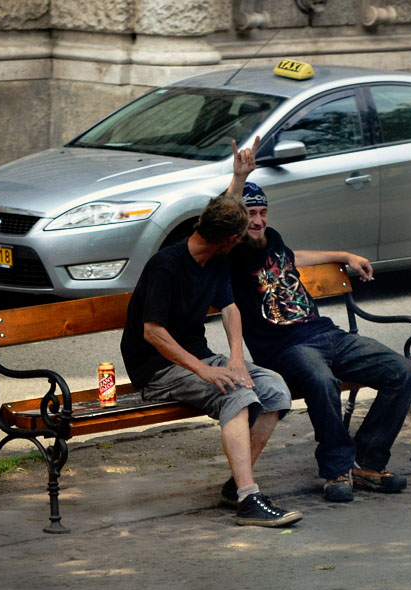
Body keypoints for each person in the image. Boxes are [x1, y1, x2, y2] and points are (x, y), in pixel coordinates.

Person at [120, 139, 302, 528]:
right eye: (237, 238)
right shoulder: (166, 266)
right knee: (235, 393)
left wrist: (235, 358)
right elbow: (152, 332)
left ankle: (235, 483)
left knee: (273, 389)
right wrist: (207, 372)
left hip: (199, 358)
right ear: (227, 241)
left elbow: (230, 307)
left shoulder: (216, 256)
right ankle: (249, 498)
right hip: (157, 369)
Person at [227, 176, 411, 503]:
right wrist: (239, 177)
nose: (258, 221)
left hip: (326, 333)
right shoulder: (232, 254)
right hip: (286, 347)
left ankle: (365, 463)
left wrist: (345, 255)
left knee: (405, 372)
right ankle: (336, 468)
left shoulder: (271, 239)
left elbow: (295, 257)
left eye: (262, 212)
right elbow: (221, 222)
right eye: (250, 214)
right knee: (322, 380)